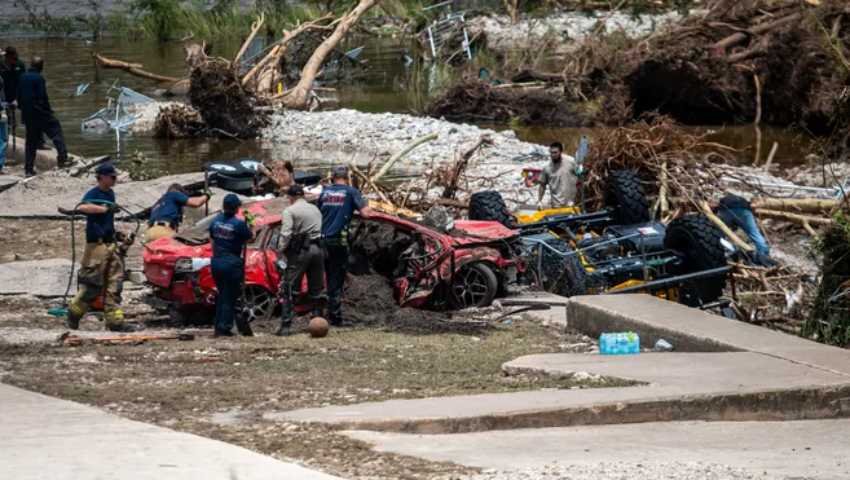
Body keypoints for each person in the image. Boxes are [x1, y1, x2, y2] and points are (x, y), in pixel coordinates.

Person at [62, 163, 134, 332]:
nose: (115, 179)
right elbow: (82, 207)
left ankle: (115, 322)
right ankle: (74, 313)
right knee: (93, 286)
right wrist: (104, 209)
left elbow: (108, 222)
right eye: (112, 177)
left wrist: (120, 236)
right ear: (102, 177)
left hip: (110, 244)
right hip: (97, 246)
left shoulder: (110, 193)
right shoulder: (94, 193)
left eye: (115, 177)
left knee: (114, 285)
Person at [318, 165, 373, 326]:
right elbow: (366, 213)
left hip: (322, 241)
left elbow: (318, 213)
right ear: (347, 178)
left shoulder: (324, 193)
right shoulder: (351, 192)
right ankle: (335, 318)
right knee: (336, 279)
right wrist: (366, 204)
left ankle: (321, 313)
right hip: (338, 242)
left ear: (333, 177)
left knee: (326, 277)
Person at [275, 184, 325, 336]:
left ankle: (286, 326)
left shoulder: (290, 211)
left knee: (290, 288)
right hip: (318, 250)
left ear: (291, 197)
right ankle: (318, 322)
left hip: (300, 253)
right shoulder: (315, 209)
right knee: (316, 289)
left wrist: (280, 250)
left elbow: (286, 234)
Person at [209, 194, 254, 337]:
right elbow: (250, 237)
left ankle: (218, 325)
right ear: (236, 208)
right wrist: (250, 225)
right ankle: (224, 327)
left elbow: (212, 238)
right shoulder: (238, 224)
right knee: (229, 296)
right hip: (231, 263)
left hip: (216, 262)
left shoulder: (215, 221)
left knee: (222, 294)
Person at [17, 56, 67, 176]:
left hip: (28, 114)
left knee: (31, 142)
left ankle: (28, 169)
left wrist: (24, 110)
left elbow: (19, 96)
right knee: (56, 130)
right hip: (40, 113)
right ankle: (63, 157)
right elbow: (42, 97)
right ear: (41, 67)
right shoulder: (39, 78)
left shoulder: (22, 77)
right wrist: (48, 111)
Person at [715, 194, 776, 267]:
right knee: (755, 234)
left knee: (719, 232)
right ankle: (764, 257)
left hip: (727, 210)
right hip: (745, 211)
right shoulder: (743, 201)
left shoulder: (723, 201)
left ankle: (721, 252)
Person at [144, 184, 211, 243]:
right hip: (163, 231)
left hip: (149, 233)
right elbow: (196, 203)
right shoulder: (174, 194)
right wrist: (207, 195)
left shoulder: (157, 204)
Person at [537, 142, 578, 209]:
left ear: (561, 152)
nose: (553, 155)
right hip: (556, 206)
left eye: (555, 152)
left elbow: (580, 175)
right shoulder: (547, 168)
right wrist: (539, 201)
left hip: (571, 204)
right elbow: (542, 185)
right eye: (551, 152)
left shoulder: (571, 163)